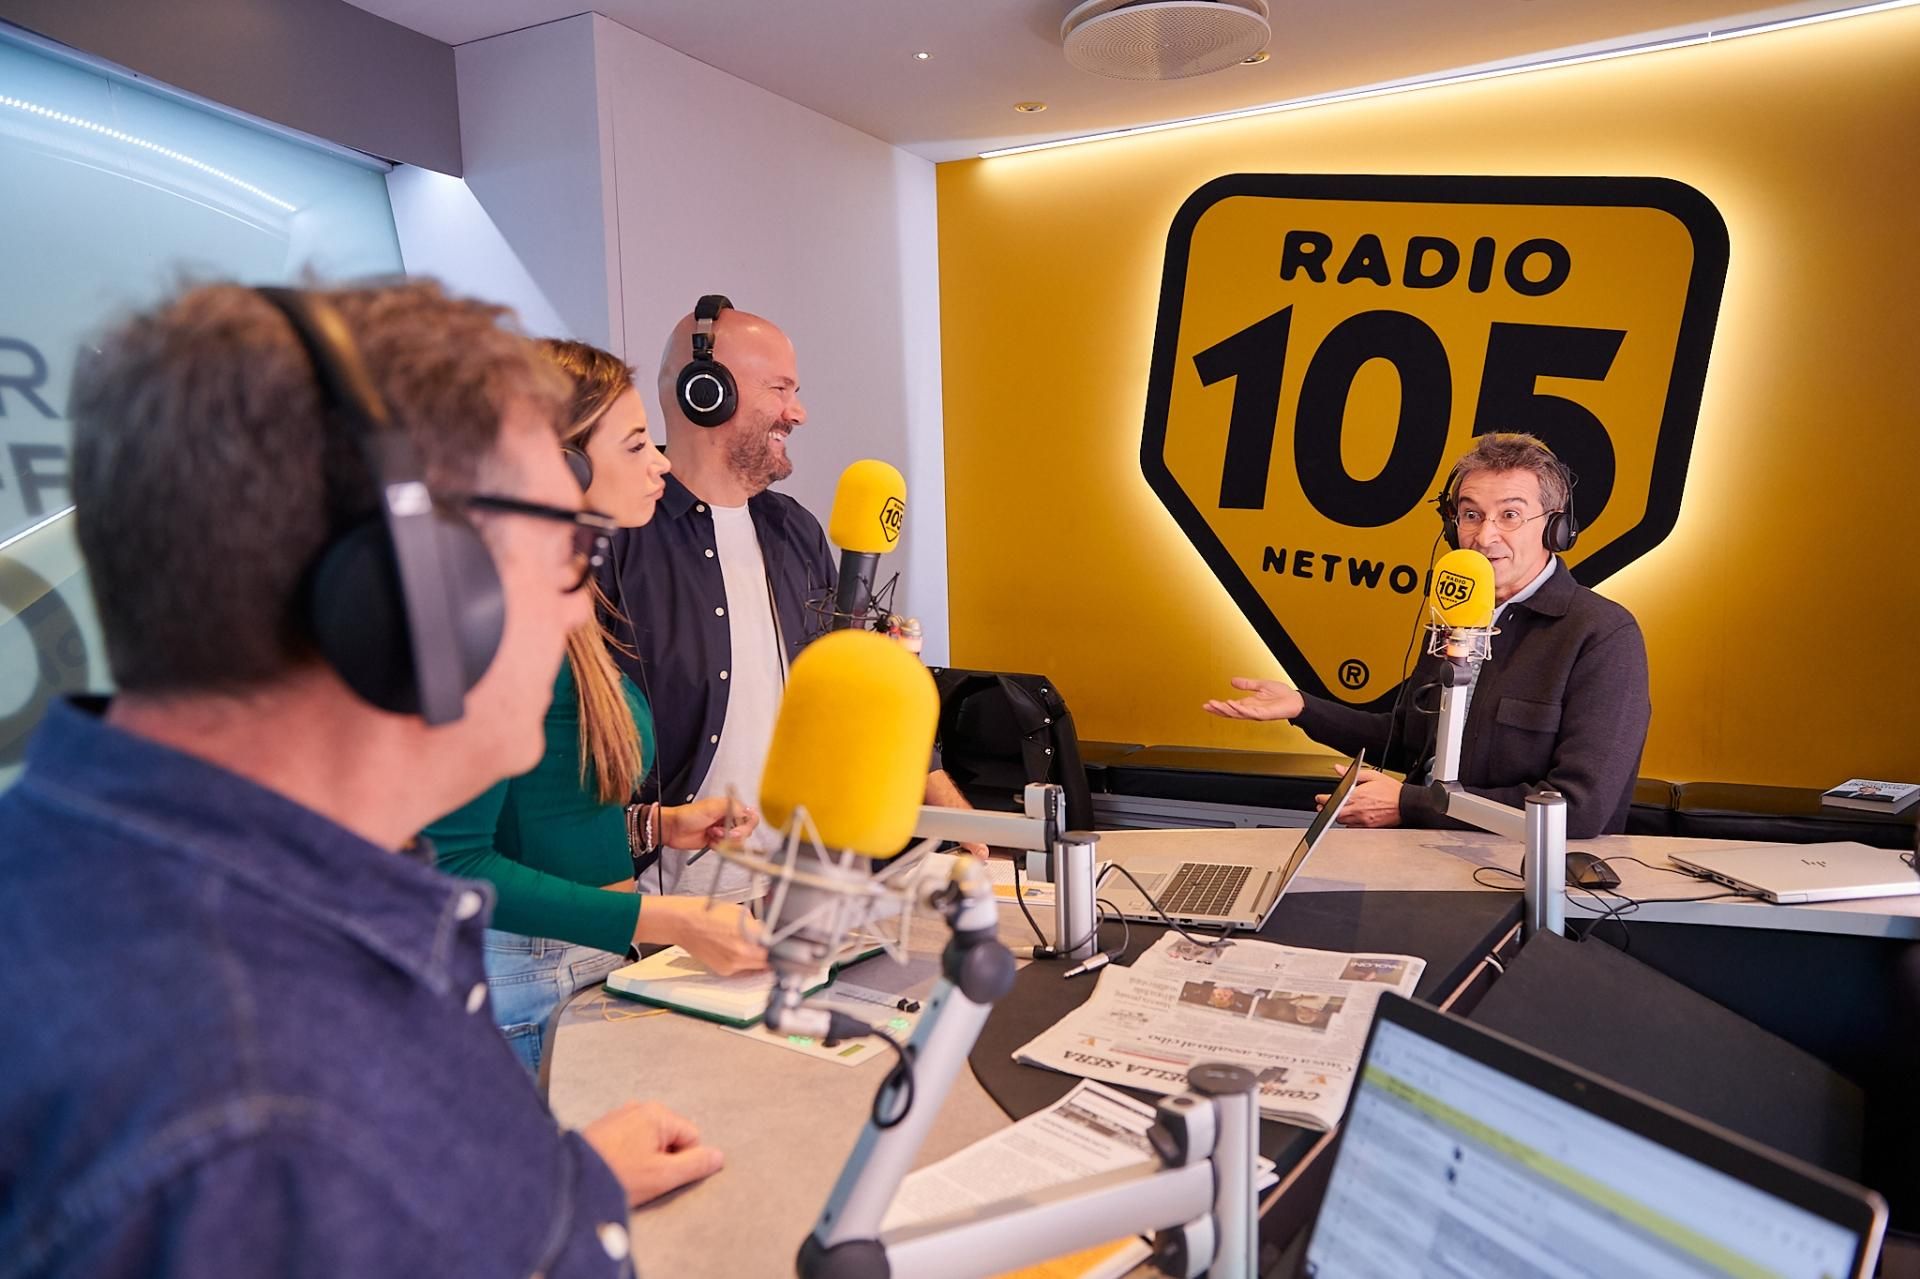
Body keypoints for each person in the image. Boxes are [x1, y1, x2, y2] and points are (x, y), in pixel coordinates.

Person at [0, 282, 721, 1276]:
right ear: (412, 596)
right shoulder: (259, 1119)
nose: (575, 607)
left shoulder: (141, 887)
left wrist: (554, 1185)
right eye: (567, 543)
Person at [427, 339, 768, 1075]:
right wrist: (665, 918)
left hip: (577, 966)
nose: (661, 464)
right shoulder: (497, 616)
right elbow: (452, 862)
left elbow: (540, 815)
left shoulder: (564, 598)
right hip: (525, 983)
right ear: (561, 467)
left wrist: (658, 825)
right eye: (636, 444)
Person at [605, 296, 983, 895]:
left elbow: (843, 690)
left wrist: (949, 805)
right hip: (662, 907)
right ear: (707, 393)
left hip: (799, 891)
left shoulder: (795, 530)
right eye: (779, 389)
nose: (798, 412)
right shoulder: (616, 540)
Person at [1205, 433, 1650, 840]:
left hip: (1528, 875)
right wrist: (1303, 707)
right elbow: (1410, 742)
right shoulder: (1457, 614)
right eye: (1471, 515)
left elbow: (1579, 809)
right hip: (1420, 850)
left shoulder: (1602, 634)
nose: (1484, 536)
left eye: (1510, 515)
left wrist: (1410, 804)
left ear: (1556, 527)